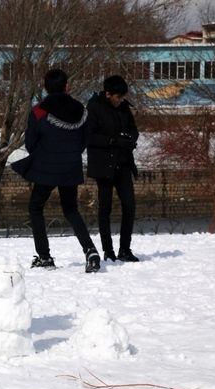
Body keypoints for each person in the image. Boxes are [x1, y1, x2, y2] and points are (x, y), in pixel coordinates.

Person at [24, 69, 101, 273]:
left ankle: (45, 257)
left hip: (46, 167)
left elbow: (30, 143)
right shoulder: (81, 110)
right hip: (70, 166)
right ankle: (90, 250)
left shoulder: (39, 111)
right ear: (67, 86)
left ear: (45, 87)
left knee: (35, 207)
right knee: (70, 209)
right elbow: (85, 140)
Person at [86, 75, 140, 263]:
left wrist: (130, 138)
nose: (120, 100)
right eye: (117, 97)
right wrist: (112, 140)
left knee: (129, 206)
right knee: (105, 208)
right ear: (108, 94)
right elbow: (89, 136)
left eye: (122, 97)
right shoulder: (94, 108)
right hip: (104, 165)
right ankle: (108, 251)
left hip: (123, 162)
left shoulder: (124, 108)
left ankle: (125, 248)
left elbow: (134, 130)